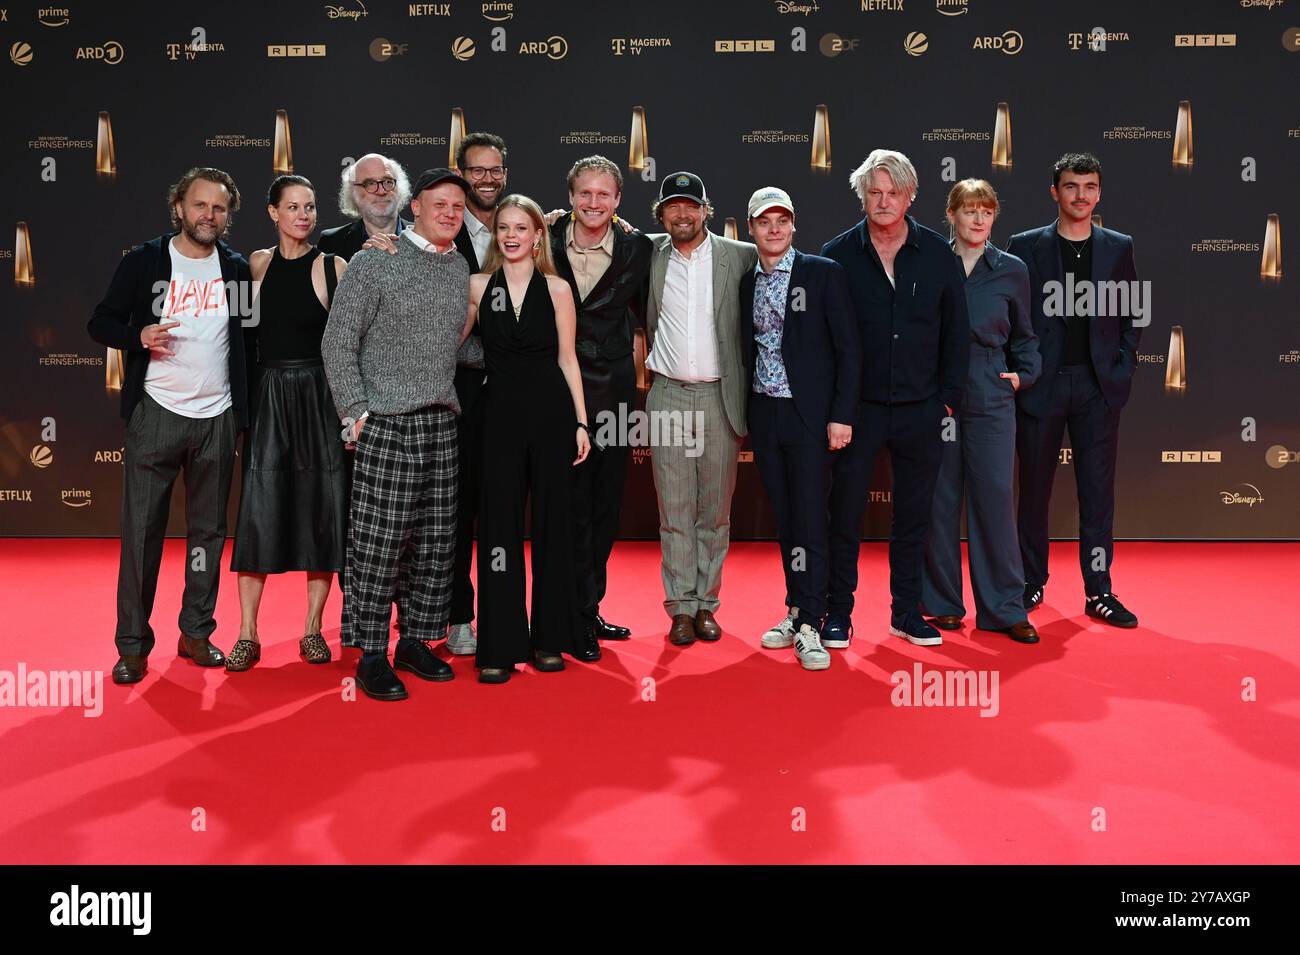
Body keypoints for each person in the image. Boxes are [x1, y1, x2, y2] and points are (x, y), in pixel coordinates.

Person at [88, 167, 252, 685]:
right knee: (142, 536)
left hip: (217, 417)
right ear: (178, 208)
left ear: (229, 214)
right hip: (156, 411)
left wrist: (242, 414)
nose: (210, 216)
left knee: (208, 533)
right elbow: (100, 322)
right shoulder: (144, 261)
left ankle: (196, 632)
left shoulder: (237, 269)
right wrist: (139, 336)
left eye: (219, 208)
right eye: (200, 206)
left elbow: (247, 340)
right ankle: (133, 645)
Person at [320, 168, 472, 701]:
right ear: (416, 207)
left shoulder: (458, 268)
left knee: (433, 544)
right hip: (386, 422)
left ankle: (413, 641)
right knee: (378, 545)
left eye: (458, 207)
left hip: (440, 422)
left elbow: (450, 345)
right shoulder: (373, 261)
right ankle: (369, 654)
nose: (450, 214)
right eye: (440, 204)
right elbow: (337, 344)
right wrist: (356, 413)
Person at [820, 149, 970, 649]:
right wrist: (836, 409)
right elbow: (822, 342)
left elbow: (957, 334)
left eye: (893, 192)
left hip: (920, 411)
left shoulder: (938, 255)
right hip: (856, 413)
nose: (883, 201)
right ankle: (836, 614)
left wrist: (945, 401)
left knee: (914, 519)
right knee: (844, 517)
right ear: (862, 196)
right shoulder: (836, 256)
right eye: (874, 192)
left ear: (910, 196)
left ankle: (906, 612)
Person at [1008, 153, 1141, 628]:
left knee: (1098, 494)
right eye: (1071, 186)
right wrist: (1023, 370)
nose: (1080, 195)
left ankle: (1099, 590)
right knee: (1034, 493)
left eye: (1089, 186)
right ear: (1055, 192)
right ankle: (1029, 581)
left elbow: (1132, 315)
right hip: (1041, 385)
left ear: (1099, 192)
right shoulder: (1024, 247)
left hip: (1096, 387)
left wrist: (1119, 372)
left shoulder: (1118, 246)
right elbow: (1012, 316)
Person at [224, 175, 350, 671]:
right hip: (269, 397)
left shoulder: (333, 266)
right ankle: (247, 633)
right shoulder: (254, 265)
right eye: (293, 207)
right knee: (258, 513)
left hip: (320, 397)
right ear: (273, 213)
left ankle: (313, 629)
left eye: (310, 207)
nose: (303, 215)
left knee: (323, 511)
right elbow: (238, 340)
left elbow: (347, 345)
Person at [468, 195, 591, 683]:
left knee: (553, 528)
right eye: (504, 228)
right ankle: (499, 643)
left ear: (539, 235)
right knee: (497, 530)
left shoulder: (558, 289)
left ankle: (549, 638)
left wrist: (582, 423)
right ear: (496, 235)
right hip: (496, 418)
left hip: (551, 417)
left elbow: (567, 360)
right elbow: (447, 342)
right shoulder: (478, 287)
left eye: (522, 227)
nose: (512, 235)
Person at [740, 187, 861, 670]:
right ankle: (796, 607)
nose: (773, 229)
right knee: (788, 519)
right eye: (764, 221)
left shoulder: (822, 273)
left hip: (811, 416)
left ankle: (813, 619)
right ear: (750, 229)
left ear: (793, 226)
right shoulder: (747, 280)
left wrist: (842, 415)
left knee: (812, 519)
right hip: (767, 415)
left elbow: (850, 351)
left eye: (781, 220)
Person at [921, 179, 1042, 644]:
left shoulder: (1011, 269)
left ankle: (1004, 608)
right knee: (940, 500)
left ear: (994, 218)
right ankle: (942, 603)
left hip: (991, 394)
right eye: (969, 210)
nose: (977, 219)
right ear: (951, 214)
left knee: (994, 501)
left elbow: (1026, 335)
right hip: (940, 392)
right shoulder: (931, 262)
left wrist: (1022, 374)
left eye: (986, 212)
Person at [644, 172, 758, 646]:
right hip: (668, 394)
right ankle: (680, 607)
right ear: (662, 213)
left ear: (706, 210)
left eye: (691, 205)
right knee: (674, 512)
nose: (683, 213)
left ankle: (707, 605)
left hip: (718, 396)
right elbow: (591, 232)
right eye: (673, 206)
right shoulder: (646, 252)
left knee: (714, 512)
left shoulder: (741, 256)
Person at [549, 156, 653, 657]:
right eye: (584, 193)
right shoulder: (543, 240)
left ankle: (588, 610)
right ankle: (560, 614)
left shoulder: (637, 248)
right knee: (564, 505)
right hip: (556, 388)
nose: (593, 203)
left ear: (617, 201)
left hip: (613, 391)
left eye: (603, 195)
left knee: (604, 505)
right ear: (570, 197)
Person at [318, 153, 413, 651]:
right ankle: (358, 617)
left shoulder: (427, 234)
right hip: (359, 405)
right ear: (351, 195)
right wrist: (350, 410)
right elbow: (334, 334)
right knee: (362, 519)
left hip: (414, 404)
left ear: (401, 188)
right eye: (367, 184)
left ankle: (408, 619)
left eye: (387, 182)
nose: (378, 190)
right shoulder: (332, 246)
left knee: (412, 522)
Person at [318, 154, 413, 260]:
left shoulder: (425, 237)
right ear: (352, 192)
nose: (381, 191)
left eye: (388, 181)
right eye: (370, 183)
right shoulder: (331, 241)